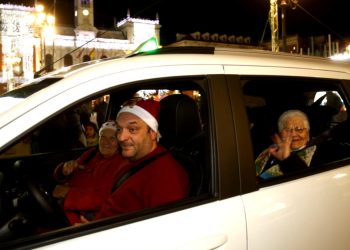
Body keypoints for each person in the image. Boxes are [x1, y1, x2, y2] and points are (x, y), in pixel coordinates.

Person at [79, 98, 189, 223]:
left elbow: (161, 235)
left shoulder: (166, 178)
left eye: (132, 129)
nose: (121, 137)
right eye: (119, 129)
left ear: (153, 133)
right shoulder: (133, 158)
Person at [52, 120, 123, 225]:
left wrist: (68, 193)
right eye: (103, 136)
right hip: (64, 207)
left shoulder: (121, 163)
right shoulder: (92, 154)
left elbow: (106, 199)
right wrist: (64, 169)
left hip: (83, 220)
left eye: (112, 138)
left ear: (119, 142)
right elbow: (68, 170)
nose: (106, 142)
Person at [255, 109, 317, 179]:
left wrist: (287, 159)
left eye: (299, 129)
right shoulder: (269, 151)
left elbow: (307, 181)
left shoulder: (317, 154)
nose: (293, 134)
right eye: (287, 130)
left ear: (308, 134)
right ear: (280, 134)